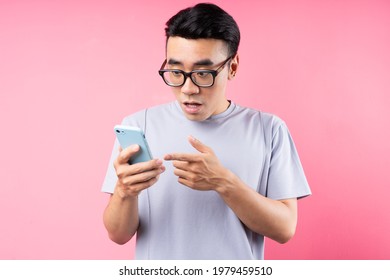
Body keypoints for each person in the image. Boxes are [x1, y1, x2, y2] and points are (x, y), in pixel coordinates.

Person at [102, 3, 311, 260]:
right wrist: (124, 191)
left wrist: (223, 182)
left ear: (232, 68)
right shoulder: (138, 125)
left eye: (203, 73)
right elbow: (118, 235)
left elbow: (284, 228)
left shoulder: (268, 129)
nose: (188, 88)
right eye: (176, 71)